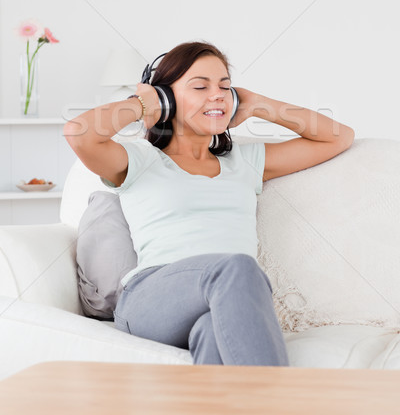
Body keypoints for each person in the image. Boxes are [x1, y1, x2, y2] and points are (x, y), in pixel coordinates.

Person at [64, 40, 354, 366]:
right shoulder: (140, 161)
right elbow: (80, 133)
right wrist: (144, 103)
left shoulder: (244, 163)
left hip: (222, 300)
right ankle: (280, 401)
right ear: (167, 99)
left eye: (225, 87)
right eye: (200, 86)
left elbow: (339, 137)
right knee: (236, 266)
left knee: (212, 334)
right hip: (151, 299)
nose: (217, 94)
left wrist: (257, 103)